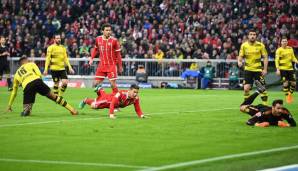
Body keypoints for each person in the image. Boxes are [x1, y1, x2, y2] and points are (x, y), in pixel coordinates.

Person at [6, 57, 78, 116]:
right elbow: (39, 74)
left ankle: (27, 110)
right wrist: (39, 86)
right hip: (37, 81)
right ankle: (72, 109)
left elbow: (14, 92)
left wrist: (9, 105)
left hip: (27, 87)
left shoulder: (16, 75)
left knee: (26, 112)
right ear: (25, 61)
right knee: (54, 97)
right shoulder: (31, 64)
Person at [89, 23, 123, 94]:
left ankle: (117, 99)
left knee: (112, 84)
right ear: (102, 31)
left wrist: (120, 66)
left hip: (111, 65)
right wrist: (91, 58)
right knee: (95, 84)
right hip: (102, 65)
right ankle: (102, 97)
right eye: (107, 30)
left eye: (110, 30)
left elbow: (118, 55)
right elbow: (95, 49)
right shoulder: (98, 39)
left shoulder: (114, 41)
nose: (109, 32)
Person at [238, 29, 269, 105]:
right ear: (248, 36)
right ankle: (247, 105)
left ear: (256, 36)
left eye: (254, 35)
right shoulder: (244, 45)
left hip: (258, 69)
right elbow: (240, 57)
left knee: (262, 88)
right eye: (251, 34)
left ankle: (265, 105)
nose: (252, 36)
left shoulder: (260, 45)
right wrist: (239, 61)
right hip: (248, 69)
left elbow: (265, 57)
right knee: (246, 89)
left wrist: (265, 69)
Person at [79, 84, 145, 119]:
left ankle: (100, 89)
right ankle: (86, 100)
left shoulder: (135, 98)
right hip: (109, 100)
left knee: (101, 97)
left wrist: (141, 115)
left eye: (137, 92)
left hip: (114, 103)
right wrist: (111, 114)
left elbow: (137, 108)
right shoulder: (122, 93)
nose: (135, 94)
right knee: (94, 106)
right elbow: (112, 103)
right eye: (134, 92)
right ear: (129, 90)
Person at [275, 37, 298, 104]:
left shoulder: (290, 49)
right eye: (283, 41)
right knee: (286, 83)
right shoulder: (279, 50)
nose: (285, 42)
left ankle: (290, 94)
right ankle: (287, 96)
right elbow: (277, 60)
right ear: (281, 42)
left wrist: (297, 61)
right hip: (283, 69)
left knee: (294, 83)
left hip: (290, 68)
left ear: (287, 42)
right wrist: (277, 69)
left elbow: (293, 57)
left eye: (285, 41)